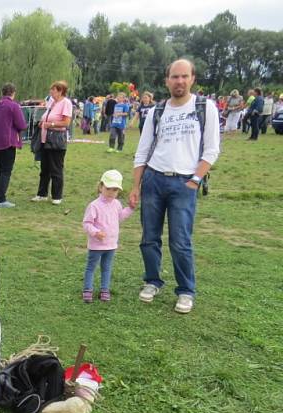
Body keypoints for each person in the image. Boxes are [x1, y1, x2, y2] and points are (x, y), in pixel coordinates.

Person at [130, 59, 220, 315]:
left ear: (192, 78)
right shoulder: (157, 111)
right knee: (149, 238)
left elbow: (212, 149)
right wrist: (136, 186)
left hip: (184, 182)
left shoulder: (205, 107)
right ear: (166, 80)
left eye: (184, 76)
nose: (179, 81)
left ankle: (185, 290)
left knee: (180, 241)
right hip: (154, 179)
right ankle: (152, 281)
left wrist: (195, 180)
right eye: (174, 77)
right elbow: (142, 151)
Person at [81, 170, 137, 303]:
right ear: (101, 187)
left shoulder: (116, 204)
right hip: (96, 245)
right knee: (91, 267)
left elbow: (119, 217)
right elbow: (87, 223)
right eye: (108, 188)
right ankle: (88, 289)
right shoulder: (94, 205)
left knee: (106, 268)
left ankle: (104, 290)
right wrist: (95, 232)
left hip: (111, 245)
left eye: (115, 190)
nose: (111, 192)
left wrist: (130, 208)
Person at [32, 81, 73, 205]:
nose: (51, 92)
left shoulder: (66, 103)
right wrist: (41, 122)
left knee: (56, 169)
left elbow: (66, 122)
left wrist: (51, 124)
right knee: (45, 169)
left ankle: (57, 196)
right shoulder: (51, 103)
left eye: (53, 90)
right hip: (45, 139)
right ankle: (42, 194)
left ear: (60, 91)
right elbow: (46, 116)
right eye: (51, 90)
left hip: (56, 139)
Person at [0, 83, 27, 209]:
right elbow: (21, 124)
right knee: (6, 170)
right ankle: (1, 199)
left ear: (2, 93)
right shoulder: (14, 106)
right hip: (7, 142)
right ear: (13, 93)